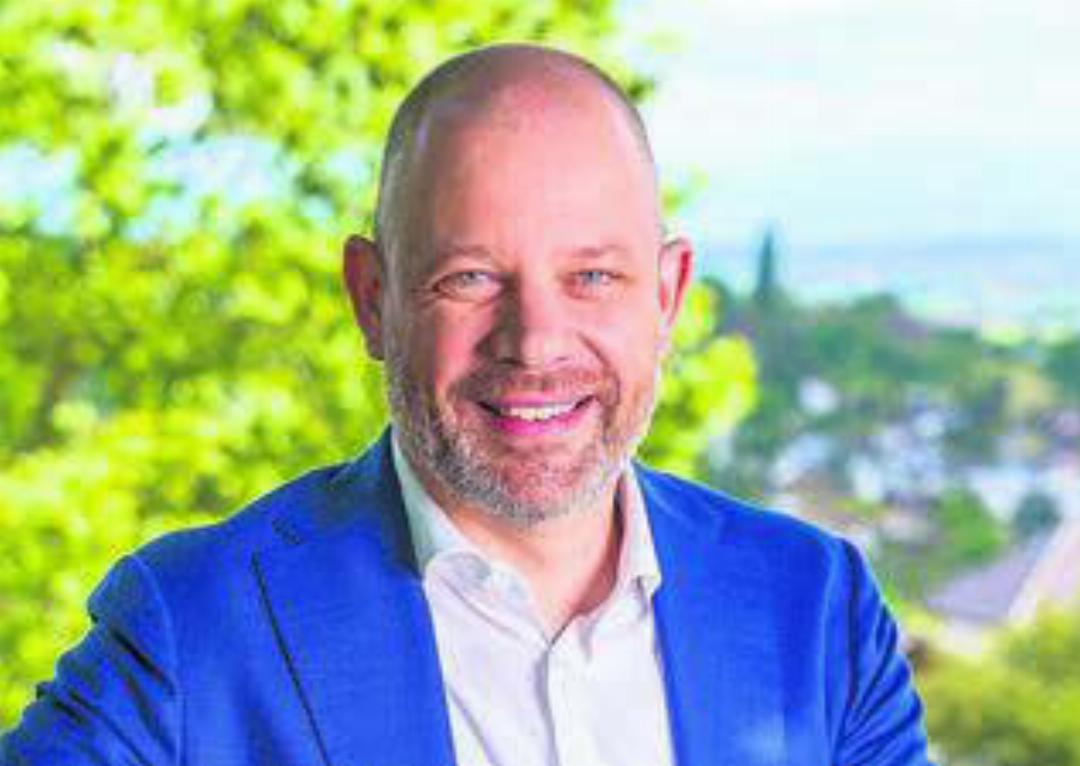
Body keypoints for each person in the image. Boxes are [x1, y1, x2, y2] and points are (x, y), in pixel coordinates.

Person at [1, 44, 934, 766]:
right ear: (372, 299)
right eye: (471, 278)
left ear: (667, 296)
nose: (536, 341)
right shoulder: (191, 628)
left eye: (593, 276)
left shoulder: (816, 610)